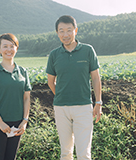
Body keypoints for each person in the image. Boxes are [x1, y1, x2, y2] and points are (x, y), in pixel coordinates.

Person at [46, 15, 102, 160]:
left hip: (84, 107)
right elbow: (51, 81)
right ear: (57, 33)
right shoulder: (54, 55)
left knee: (83, 153)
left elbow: (95, 78)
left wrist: (98, 102)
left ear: (75, 30)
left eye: (69, 30)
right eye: (61, 31)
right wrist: (60, 95)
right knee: (66, 152)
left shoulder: (88, 50)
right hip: (61, 108)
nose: (65, 34)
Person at [0, 33, 32, 160]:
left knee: (11, 157)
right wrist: (0, 123)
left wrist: (24, 121)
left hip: (17, 124)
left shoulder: (23, 72)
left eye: (12, 46)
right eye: (5, 46)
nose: (9, 49)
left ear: (16, 48)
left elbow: (26, 98)